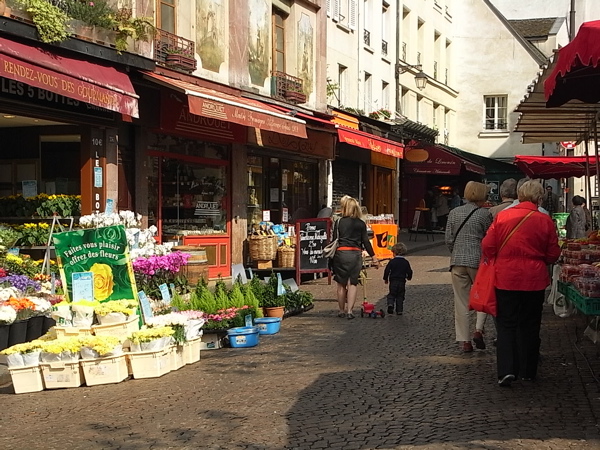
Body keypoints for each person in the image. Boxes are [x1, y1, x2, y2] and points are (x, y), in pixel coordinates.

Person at [481, 181, 561, 386]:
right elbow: (553, 254)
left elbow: (488, 246)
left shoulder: (503, 216)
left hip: (506, 277)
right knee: (530, 324)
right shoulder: (544, 220)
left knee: (507, 324)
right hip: (534, 279)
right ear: (539, 198)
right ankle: (528, 370)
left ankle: (506, 370)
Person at [445, 181, 493, 353]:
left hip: (457, 261)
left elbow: (449, 239)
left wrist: (456, 251)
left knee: (460, 301)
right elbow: (490, 239)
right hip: (478, 261)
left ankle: (465, 341)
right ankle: (478, 330)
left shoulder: (454, 213)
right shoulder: (484, 214)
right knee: (483, 296)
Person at [331, 197, 379, 319]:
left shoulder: (339, 222)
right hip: (355, 254)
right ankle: (350, 311)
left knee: (341, 284)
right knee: (352, 283)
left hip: (340, 254)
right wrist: (374, 257)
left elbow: (334, 240)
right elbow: (366, 242)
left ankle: (341, 310)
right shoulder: (361, 224)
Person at [383, 242, 413, 315]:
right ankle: (399, 310)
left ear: (394, 252)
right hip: (402, 281)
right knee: (400, 296)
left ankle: (390, 304)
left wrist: (385, 278)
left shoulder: (392, 262)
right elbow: (409, 271)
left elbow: (387, 270)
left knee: (392, 294)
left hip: (393, 280)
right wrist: (409, 277)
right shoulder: (405, 262)